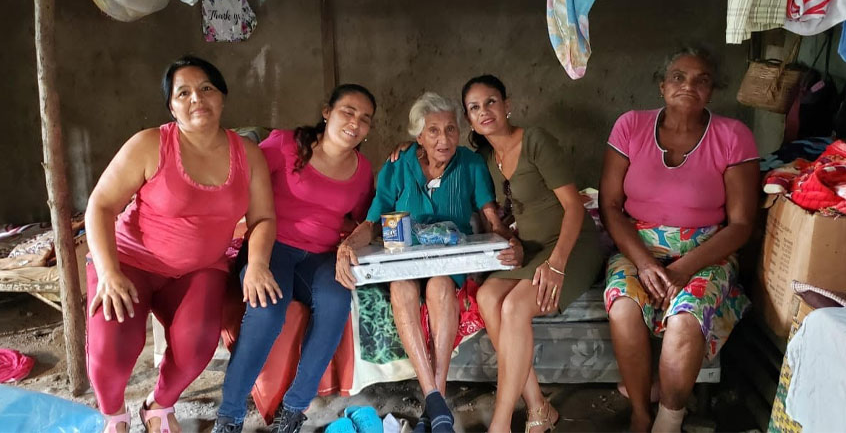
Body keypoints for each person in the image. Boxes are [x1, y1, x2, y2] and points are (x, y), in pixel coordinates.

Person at [85, 56, 276, 433]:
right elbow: (100, 205)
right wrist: (107, 273)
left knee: (198, 345)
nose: (196, 98)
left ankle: (158, 406)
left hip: (199, 268)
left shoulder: (248, 155)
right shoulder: (149, 144)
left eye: (206, 88)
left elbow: (264, 218)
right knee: (113, 347)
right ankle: (114, 416)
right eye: (183, 92)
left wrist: (257, 263)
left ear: (222, 96)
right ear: (171, 106)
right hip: (130, 262)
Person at [337, 92, 522, 433]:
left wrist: (508, 240)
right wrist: (346, 246)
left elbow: (490, 215)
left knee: (438, 287)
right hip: (404, 263)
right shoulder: (397, 164)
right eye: (433, 131)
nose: (444, 139)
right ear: (418, 136)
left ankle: (434, 403)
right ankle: (436, 408)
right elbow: (373, 220)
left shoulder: (470, 164)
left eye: (451, 129)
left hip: (447, 264)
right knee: (402, 287)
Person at [599, 47, 758, 432]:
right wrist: (646, 264)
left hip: (706, 252)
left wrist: (684, 269)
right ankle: (640, 412)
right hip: (638, 246)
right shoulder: (630, 126)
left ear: (712, 91)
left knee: (686, 318)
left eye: (701, 80)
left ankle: (669, 421)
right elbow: (611, 206)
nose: (689, 86)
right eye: (678, 77)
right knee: (623, 307)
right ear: (662, 85)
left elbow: (740, 225)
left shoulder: (733, 136)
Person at [213, 84, 377, 433]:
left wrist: (350, 246)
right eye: (348, 111)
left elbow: (363, 219)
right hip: (272, 246)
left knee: (336, 301)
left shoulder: (362, 170)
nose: (355, 123)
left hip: (320, 257)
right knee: (268, 310)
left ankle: (294, 410)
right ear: (326, 111)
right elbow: (243, 182)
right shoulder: (286, 144)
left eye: (365, 119)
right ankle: (229, 416)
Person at [464, 75, 603, 433]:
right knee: (487, 295)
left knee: (514, 306)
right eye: (475, 107)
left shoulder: (535, 140)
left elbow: (574, 207)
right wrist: (408, 149)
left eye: (491, 102)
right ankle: (539, 406)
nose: (485, 111)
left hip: (571, 246)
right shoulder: (484, 156)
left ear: (507, 105)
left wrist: (556, 265)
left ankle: (500, 423)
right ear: (470, 119)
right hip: (532, 250)